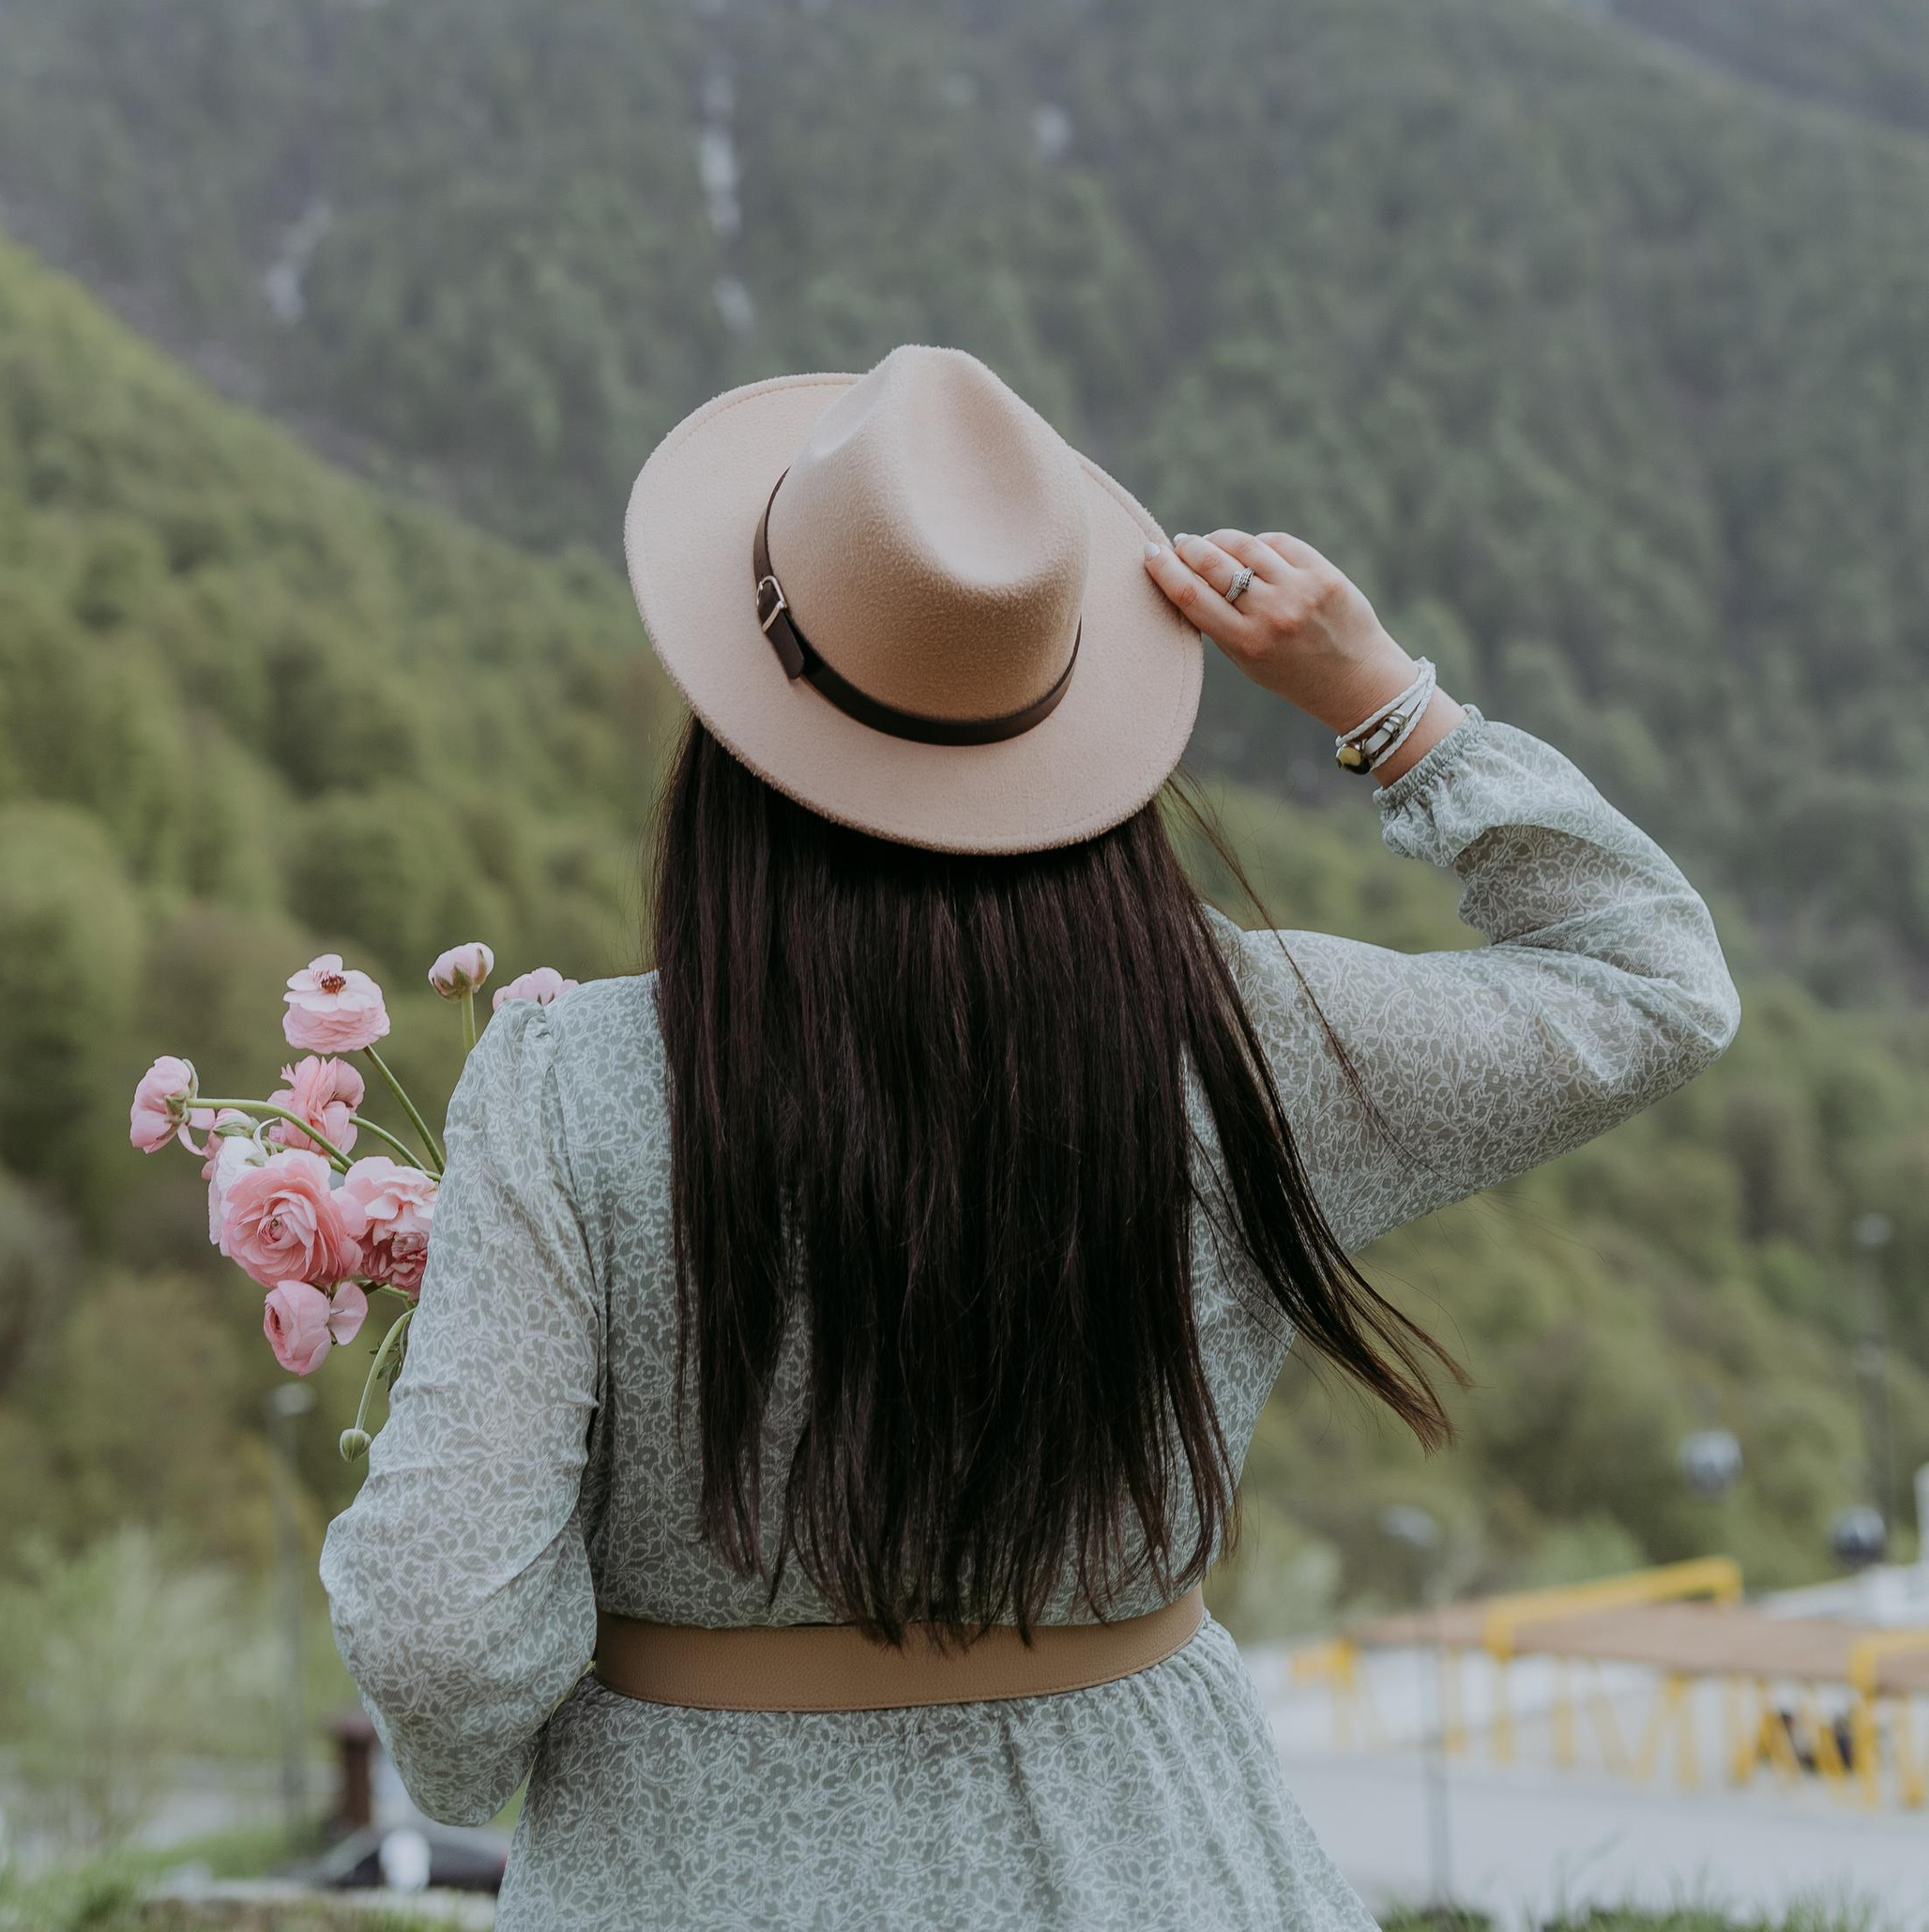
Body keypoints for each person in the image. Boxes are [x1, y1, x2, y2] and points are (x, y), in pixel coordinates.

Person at [323, 345, 1737, 1928]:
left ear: (733, 715)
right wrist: (1387, 705)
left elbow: (444, 1634)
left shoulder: (570, 1083)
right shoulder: (1252, 1047)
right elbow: (1654, 984)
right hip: (1170, 1866)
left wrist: (484, 1764)